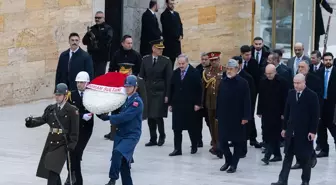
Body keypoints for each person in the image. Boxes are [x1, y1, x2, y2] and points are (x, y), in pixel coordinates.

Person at [25, 83, 79, 185]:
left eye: (60, 95)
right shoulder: (51, 109)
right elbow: (42, 119)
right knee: (52, 170)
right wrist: (30, 122)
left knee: (53, 171)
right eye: (56, 94)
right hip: (51, 143)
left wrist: (72, 145)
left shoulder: (72, 110)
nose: (57, 97)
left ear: (65, 95)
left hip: (63, 144)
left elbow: (75, 131)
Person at [271, 74, 319, 185]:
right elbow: (286, 112)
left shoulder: (312, 96)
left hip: (304, 132)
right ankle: (282, 180)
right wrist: (284, 128)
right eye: (294, 83)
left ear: (304, 83)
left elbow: (315, 115)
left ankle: (305, 181)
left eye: (298, 83)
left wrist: (313, 131)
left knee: (305, 159)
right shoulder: (291, 94)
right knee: (287, 157)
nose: (296, 85)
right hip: (291, 132)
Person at [98, 75, 143, 185]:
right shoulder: (123, 99)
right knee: (124, 164)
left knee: (118, 153)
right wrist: (101, 112)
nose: (127, 88)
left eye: (129, 86)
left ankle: (112, 180)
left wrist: (109, 118)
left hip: (131, 135)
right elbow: (114, 109)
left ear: (135, 87)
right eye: (126, 86)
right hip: (120, 133)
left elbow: (125, 116)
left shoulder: (137, 102)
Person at [217, 59, 251, 173]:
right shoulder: (223, 81)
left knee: (237, 141)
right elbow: (219, 99)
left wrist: (246, 117)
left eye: (231, 69)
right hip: (224, 117)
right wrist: (218, 114)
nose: (229, 71)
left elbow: (247, 101)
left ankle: (234, 164)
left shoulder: (243, 83)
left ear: (237, 69)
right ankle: (228, 160)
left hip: (238, 117)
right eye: (228, 69)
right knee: (222, 141)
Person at [139, 39, 172, 147]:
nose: (161, 50)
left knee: (158, 115)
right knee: (150, 116)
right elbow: (141, 77)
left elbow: (169, 79)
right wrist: (140, 92)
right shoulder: (145, 60)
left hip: (160, 92)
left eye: (162, 49)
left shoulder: (166, 61)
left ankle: (162, 135)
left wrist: (167, 95)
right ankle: (153, 138)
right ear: (153, 48)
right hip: (148, 91)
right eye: (159, 48)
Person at [168, 54, 202, 156]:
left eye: (183, 63)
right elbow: (171, 88)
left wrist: (198, 103)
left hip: (190, 105)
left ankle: (194, 145)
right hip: (178, 105)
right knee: (177, 128)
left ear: (187, 62)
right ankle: (177, 149)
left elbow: (199, 89)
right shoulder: (175, 73)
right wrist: (170, 103)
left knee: (192, 127)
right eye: (179, 63)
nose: (181, 66)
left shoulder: (194, 73)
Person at [104, 63, 148, 141]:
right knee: (114, 136)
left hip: (131, 108)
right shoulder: (117, 80)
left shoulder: (139, 81)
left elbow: (143, 97)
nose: (124, 75)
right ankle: (113, 133)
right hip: (117, 108)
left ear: (130, 71)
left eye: (126, 73)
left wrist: (143, 115)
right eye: (122, 73)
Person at [291, 61, 322, 169]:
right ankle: (299, 161)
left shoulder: (314, 79)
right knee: (296, 139)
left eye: (303, 67)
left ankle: (310, 157)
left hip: (309, 114)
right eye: (299, 66)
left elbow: (318, 96)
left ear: (308, 68)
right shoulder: (296, 78)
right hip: (297, 114)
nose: (300, 68)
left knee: (306, 139)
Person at [64, 72, 93, 185]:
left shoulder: (92, 95)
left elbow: (99, 108)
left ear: (87, 83)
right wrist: (81, 116)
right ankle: (72, 176)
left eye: (82, 82)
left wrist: (108, 117)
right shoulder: (71, 95)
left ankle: (74, 177)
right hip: (74, 129)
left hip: (86, 130)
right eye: (78, 82)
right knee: (71, 153)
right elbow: (68, 111)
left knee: (77, 152)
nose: (79, 84)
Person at [257, 64, 288, 165]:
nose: (269, 75)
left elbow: (285, 99)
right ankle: (277, 155)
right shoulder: (262, 82)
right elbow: (260, 97)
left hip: (278, 113)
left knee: (274, 134)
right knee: (267, 132)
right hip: (266, 112)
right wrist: (259, 110)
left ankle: (267, 156)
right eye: (267, 74)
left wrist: (284, 113)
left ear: (275, 72)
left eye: (270, 73)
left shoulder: (282, 82)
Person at [202, 51, 225, 157]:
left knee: (219, 124)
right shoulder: (206, 71)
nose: (214, 62)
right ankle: (215, 144)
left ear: (219, 60)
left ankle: (220, 145)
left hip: (220, 102)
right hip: (209, 102)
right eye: (212, 60)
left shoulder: (224, 70)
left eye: (215, 60)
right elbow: (203, 88)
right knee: (211, 123)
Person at [240, 45, 262, 148]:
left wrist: (255, 94)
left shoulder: (253, 63)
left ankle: (253, 138)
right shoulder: (238, 62)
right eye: (246, 55)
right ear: (242, 54)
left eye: (250, 54)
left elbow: (257, 79)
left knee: (250, 116)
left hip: (251, 93)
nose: (249, 56)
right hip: (240, 94)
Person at [315, 52, 336, 158]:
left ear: (332, 60)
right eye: (326, 60)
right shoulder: (319, 72)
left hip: (333, 105)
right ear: (323, 61)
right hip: (321, 103)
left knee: (333, 127)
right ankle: (324, 149)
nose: (328, 61)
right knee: (321, 127)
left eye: (330, 60)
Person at [235, 57, 256, 157]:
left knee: (243, 131)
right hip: (232, 109)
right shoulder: (228, 76)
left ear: (239, 65)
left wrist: (248, 112)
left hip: (243, 108)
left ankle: (242, 150)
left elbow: (251, 96)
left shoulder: (247, 77)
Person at [82, 11, 113, 78]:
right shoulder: (92, 28)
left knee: (99, 77)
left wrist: (95, 37)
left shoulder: (108, 28)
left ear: (103, 18)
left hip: (102, 58)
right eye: (96, 18)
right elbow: (84, 41)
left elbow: (107, 40)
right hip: (91, 57)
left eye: (99, 18)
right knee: (90, 76)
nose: (97, 19)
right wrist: (89, 35)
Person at [161, 0, 183, 68]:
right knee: (169, 62)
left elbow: (180, 25)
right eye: (171, 4)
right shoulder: (164, 15)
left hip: (176, 42)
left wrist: (181, 34)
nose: (172, 5)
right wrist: (176, 36)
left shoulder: (176, 14)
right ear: (167, 4)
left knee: (178, 60)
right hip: (169, 43)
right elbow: (168, 28)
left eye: (173, 4)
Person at [195, 52, 211, 147]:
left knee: (210, 122)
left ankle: (214, 139)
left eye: (206, 59)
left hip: (208, 100)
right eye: (202, 59)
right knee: (197, 123)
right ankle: (198, 140)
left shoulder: (212, 69)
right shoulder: (197, 69)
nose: (204, 61)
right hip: (199, 100)